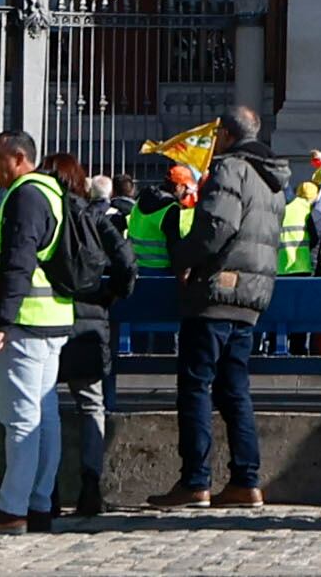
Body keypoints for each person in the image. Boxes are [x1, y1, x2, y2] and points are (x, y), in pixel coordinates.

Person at [153, 106, 282, 509]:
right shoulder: (272, 180)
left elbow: (216, 227)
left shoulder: (230, 169)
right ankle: (246, 479)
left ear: (225, 134)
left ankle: (195, 480)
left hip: (216, 295)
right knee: (235, 391)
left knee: (195, 386)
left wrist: (185, 259)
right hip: (251, 297)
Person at [0, 131, 76, 534]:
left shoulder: (23, 195)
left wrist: (1, 322)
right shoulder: (50, 191)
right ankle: (39, 502)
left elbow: (17, 262)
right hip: (52, 316)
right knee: (44, 415)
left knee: (21, 418)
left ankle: (12, 507)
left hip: (27, 321)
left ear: (18, 157)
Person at [49, 159, 128, 517]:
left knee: (41, 407)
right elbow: (127, 262)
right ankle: (90, 485)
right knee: (91, 406)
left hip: (48, 320)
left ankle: (44, 490)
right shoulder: (97, 218)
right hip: (91, 323)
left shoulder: (44, 215)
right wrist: (109, 293)